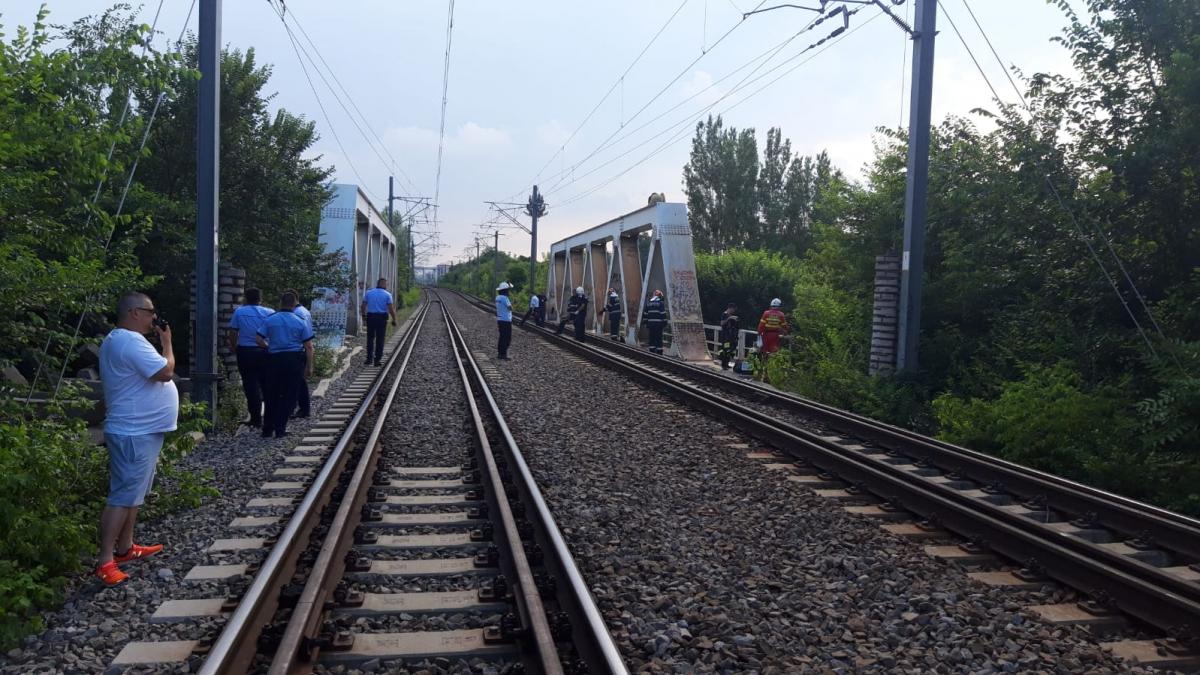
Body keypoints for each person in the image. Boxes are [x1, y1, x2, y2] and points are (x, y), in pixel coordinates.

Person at [96, 292, 178, 586]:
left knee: (133, 493)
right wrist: (167, 343)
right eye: (150, 312)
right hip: (134, 430)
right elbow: (165, 372)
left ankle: (126, 547)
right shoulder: (129, 341)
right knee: (122, 496)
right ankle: (106, 560)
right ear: (133, 312)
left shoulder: (121, 340)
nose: (154, 317)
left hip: (140, 429)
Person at [257, 291, 315, 439]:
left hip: (274, 360)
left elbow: (258, 338)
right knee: (289, 395)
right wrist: (309, 366)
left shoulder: (271, 319)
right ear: (294, 303)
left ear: (280, 302)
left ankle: (267, 429)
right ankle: (280, 428)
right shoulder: (299, 320)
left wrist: (268, 346)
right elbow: (308, 346)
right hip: (293, 360)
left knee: (271, 394)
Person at [226, 288, 274, 428]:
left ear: (245, 298)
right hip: (265, 351)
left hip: (246, 352)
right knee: (267, 385)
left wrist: (234, 347)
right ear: (260, 299)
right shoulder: (270, 312)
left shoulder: (239, 312)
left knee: (250, 386)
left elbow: (233, 332)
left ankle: (256, 419)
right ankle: (270, 418)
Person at [288, 289, 313, 418]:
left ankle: (297, 409)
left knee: (296, 383)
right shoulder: (304, 311)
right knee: (300, 382)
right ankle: (303, 409)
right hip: (302, 349)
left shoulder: (297, 313)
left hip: (298, 349)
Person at [361, 278, 397, 366]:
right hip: (381, 318)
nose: (387, 286)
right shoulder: (387, 295)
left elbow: (363, 306)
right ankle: (377, 360)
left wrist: (363, 316)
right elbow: (391, 309)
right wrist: (394, 319)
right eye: (386, 284)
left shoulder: (369, 293)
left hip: (371, 317)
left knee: (370, 339)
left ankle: (369, 359)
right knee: (380, 339)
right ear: (384, 284)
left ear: (378, 284)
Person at [644, 289, 668, 354]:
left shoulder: (649, 303)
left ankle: (652, 351)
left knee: (652, 337)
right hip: (658, 324)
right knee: (659, 338)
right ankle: (659, 351)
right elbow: (663, 314)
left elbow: (645, 313)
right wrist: (665, 322)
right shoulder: (660, 303)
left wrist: (645, 322)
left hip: (651, 324)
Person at [718, 302, 740, 370]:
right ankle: (723, 364)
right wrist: (729, 318)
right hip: (725, 336)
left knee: (730, 350)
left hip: (730, 336)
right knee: (725, 350)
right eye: (733, 309)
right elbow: (722, 323)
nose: (734, 311)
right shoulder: (724, 314)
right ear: (730, 308)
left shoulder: (731, 315)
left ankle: (727, 364)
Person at [495, 281, 513, 360]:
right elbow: (510, 308)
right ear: (505, 290)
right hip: (506, 320)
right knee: (507, 338)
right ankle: (503, 354)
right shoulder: (505, 298)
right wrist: (513, 304)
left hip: (500, 319)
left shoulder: (497, 298)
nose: (509, 291)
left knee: (502, 337)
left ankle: (500, 353)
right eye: (508, 290)